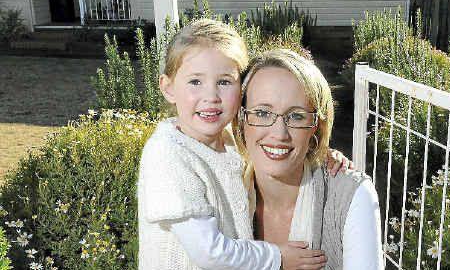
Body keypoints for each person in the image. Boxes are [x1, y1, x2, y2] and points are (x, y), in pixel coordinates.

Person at [138, 19, 347, 270]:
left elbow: (275, 145)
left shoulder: (228, 139)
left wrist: (320, 153)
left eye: (224, 81)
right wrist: (277, 257)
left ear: (242, 89)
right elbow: (210, 253)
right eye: (195, 82)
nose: (211, 97)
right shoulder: (168, 156)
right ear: (168, 88)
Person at [233, 49, 384, 269]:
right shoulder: (221, 191)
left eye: (296, 116)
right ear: (241, 119)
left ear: (316, 127)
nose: (279, 134)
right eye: (263, 113)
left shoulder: (351, 197)